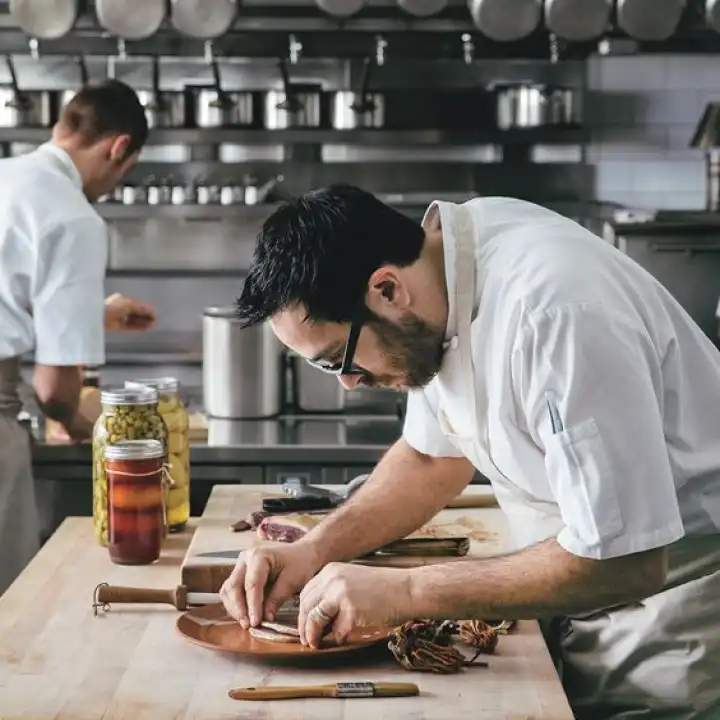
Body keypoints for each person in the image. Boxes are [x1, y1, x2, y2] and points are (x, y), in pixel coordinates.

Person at [220, 185, 720, 719]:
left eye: (335, 358)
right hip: (572, 589)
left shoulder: (556, 315)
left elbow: (627, 560)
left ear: (386, 289)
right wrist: (313, 551)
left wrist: (407, 590)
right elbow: (432, 459)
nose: (347, 383)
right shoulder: (442, 281)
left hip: (676, 607)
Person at [0, 80, 156, 595]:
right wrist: (96, 428)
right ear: (119, 148)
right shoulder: (73, 217)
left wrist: (93, 314)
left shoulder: (6, 178)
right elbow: (54, 394)